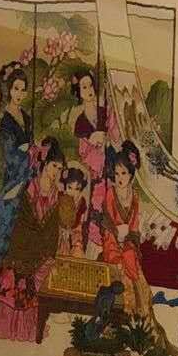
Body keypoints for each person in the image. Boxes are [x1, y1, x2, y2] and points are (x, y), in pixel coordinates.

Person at [0, 138, 70, 342]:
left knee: (44, 270)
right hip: (22, 243)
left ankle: (28, 323)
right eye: (54, 166)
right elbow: (20, 222)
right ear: (45, 163)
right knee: (18, 276)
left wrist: (48, 251)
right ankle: (9, 323)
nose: (56, 172)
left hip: (42, 246)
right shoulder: (29, 187)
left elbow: (52, 228)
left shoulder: (56, 194)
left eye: (60, 168)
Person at [99, 140, 165, 346]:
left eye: (124, 173)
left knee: (132, 261)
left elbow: (135, 227)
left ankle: (141, 326)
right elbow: (106, 221)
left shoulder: (135, 196)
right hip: (111, 242)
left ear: (131, 174)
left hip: (127, 242)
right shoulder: (110, 193)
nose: (120, 178)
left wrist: (129, 239)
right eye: (117, 173)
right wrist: (116, 234)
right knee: (121, 267)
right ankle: (123, 324)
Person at [0, 63, 33, 275]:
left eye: (23, 90)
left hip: (26, 177)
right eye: (16, 89)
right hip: (10, 177)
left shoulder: (27, 117)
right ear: (9, 89)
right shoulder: (3, 119)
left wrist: (30, 151)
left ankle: (14, 274)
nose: (19, 94)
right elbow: (8, 153)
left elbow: (30, 147)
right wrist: (27, 152)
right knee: (5, 224)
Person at [70, 70, 117, 253]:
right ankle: (93, 246)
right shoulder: (80, 121)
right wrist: (93, 142)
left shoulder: (103, 111)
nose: (89, 90)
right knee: (94, 209)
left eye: (90, 85)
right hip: (94, 174)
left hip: (109, 169)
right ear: (79, 92)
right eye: (84, 87)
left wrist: (105, 140)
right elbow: (83, 152)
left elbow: (114, 134)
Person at [58, 166, 88, 257]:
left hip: (73, 234)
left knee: (77, 251)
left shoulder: (81, 203)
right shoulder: (59, 198)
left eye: (77, 189)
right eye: (70, 187)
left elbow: (78, 227)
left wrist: (76, 243)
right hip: (57, 233)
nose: (73, 192)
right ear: (65, 186)